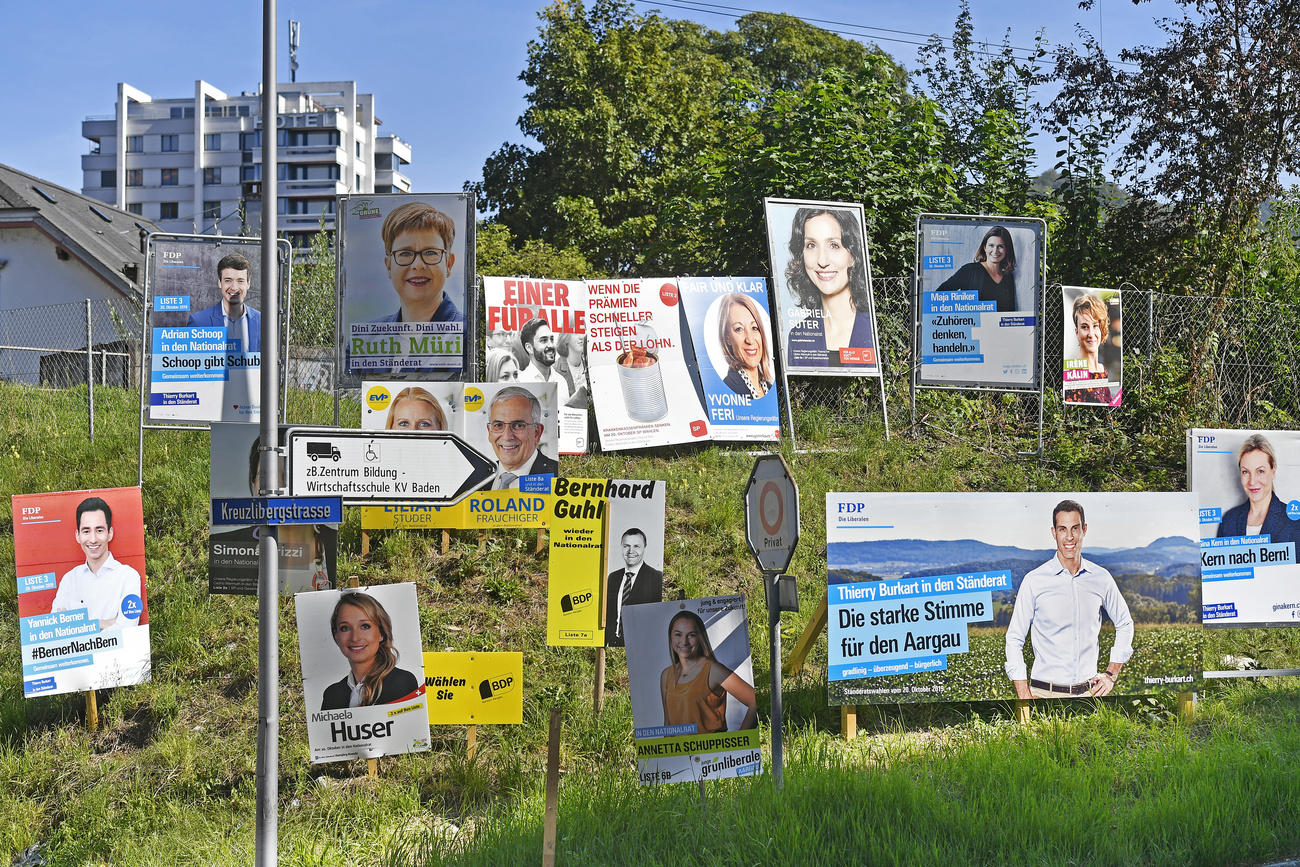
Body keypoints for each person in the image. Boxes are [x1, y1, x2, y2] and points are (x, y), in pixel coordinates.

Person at [1005, 499, 1134, 699]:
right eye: (1062, 529)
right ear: (1054, 532)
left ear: (1084, 529)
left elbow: (1125, 623)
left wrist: (1111, 674)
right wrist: (1024, 694)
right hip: (1043, 695)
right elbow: (1014, 639)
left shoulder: (1101, 578)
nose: (1069, 537)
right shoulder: (1034, 581)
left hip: (1089, 697)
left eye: (1075, 528)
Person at [783, 207, 877, 368]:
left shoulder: (874, 327)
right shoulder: (798, 338)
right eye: (811, 245)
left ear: (853, 256)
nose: (822, 260)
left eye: (834, 245)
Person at [51, 496, 143, 628]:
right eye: (86, 531)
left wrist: (78, 625)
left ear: (110, 533)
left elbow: (127, 628)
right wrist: (109, 623)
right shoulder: (69, 580)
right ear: (78, 535)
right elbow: (56, 629)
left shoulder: (128, 577)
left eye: (99, 530)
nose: (93, 539)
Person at [658, 611, 757, 732]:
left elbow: (754, 701)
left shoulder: (713, 670)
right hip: (679, 751)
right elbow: (668, 723)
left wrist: (741, 742)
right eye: (678, 634)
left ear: (700, 637)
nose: (684, 641)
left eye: (691, 635)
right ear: (670, 636)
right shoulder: (666, 675)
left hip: (712, 750)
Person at [321, 592, 420, 711]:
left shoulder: (402, 682)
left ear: (381, 633)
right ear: (336, 635)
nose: (355, 638)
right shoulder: (331, 695)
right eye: (345, 628)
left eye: (365, 626)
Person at [371, 201, 463, 325]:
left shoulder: (469, 335)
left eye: (430, 253)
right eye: (405, 253)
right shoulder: (366, 338)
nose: (418, 265)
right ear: (389, 266)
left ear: (448, 264)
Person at [1216, 434, 1300, 543]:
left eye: (1260, 471)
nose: (1252, 481)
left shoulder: (1293, 521)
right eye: (1245, 472)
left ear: (1273, 469)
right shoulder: (1228, 520)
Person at [187, 252, 261, 353]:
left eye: (240, 281)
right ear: (219, 283)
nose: (234, 287)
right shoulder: (199, 322)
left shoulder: (262, 322)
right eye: (228, 280)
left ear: (248, 284)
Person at [486, 386, 558, 489]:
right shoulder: (477, 478)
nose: (507, 436)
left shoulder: (556, 476)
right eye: (498, 425)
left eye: (518, 425)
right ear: (489, 431)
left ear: (537, 432)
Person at [604, 528, 663, 647]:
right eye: (626, 546)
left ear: (644, 547)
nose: (631, 551)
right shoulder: (613, 577)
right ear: (621, 547)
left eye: (636, 546)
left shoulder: (656, 578)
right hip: (613, 644)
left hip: (641, 646)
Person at [937, 226, 1018, 312]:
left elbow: (1010, 312)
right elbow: (939, 295)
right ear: (985, 247)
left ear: (1007, 249)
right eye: (991, 245)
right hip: (972, 325)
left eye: (1000, 246)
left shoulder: (1008, 277)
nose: (995, 251)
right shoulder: (970, 270)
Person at [717, 293, 773, 399]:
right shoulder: (728, 388)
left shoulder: (770, 388)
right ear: (727, 338)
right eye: (739, 329)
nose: (750, 340)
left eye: (754, 328)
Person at [1063, 292, 1116, 405]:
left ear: (1101, 329)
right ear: (1077, 332)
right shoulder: (1074, 373)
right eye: (1085, 327)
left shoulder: (1102, 369)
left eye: (1095, 326)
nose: (1091, 334)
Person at [517, 318, 572, 403]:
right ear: (529, 348)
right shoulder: (520, 382)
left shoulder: (561, 381)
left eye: (552, 339)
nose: (550, 345)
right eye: (543, 340)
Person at [554, 332, 589, 408]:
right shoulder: (555, 371)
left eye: (584, 332)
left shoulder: (590, 364)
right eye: (576, 333)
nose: (581, 337)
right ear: (566, 338)